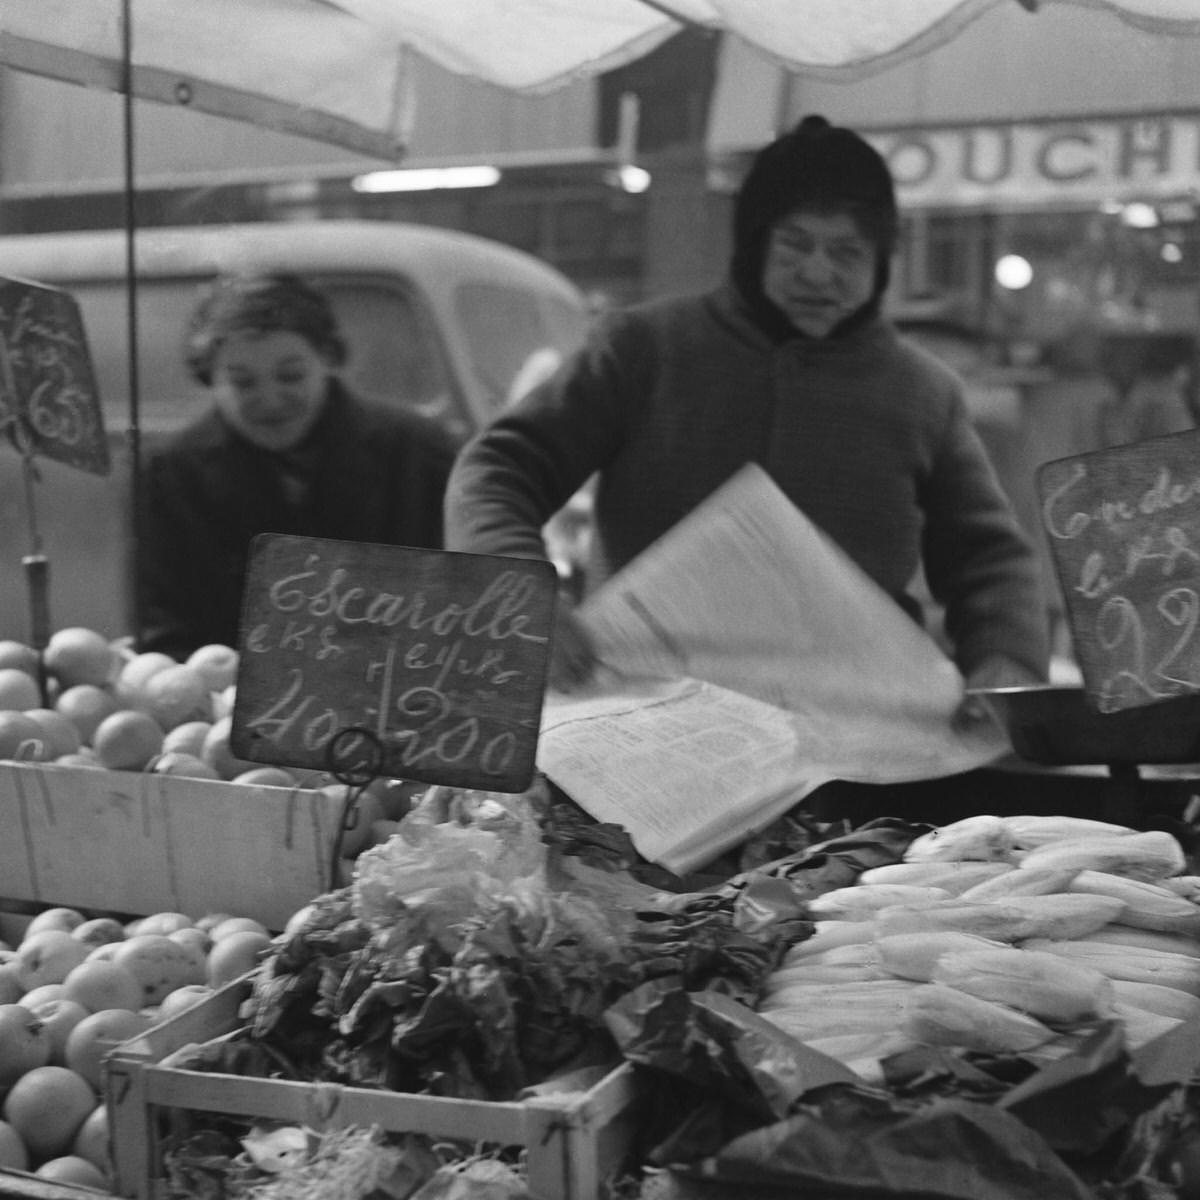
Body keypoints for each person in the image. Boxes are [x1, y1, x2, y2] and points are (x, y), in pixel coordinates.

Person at [444, 114, 1050, 717]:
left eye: (846, 251)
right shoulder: (643, 350)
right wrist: (520, 593)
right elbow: (497, 471)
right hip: (647, 723)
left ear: (881, 261)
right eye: (794, 244)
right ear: (754, 246)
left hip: (860, 741)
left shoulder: (923, 394)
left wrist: (1004, 665)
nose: (818, 272)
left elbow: (987, 560)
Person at [137, 272, 455, 659]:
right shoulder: (173, 472)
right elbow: (166, 635)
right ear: (209, 377)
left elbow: (459, 607)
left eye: (291, 375)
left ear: (328, 359)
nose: (270, 400)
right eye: (243, 383)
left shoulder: (420, 452)